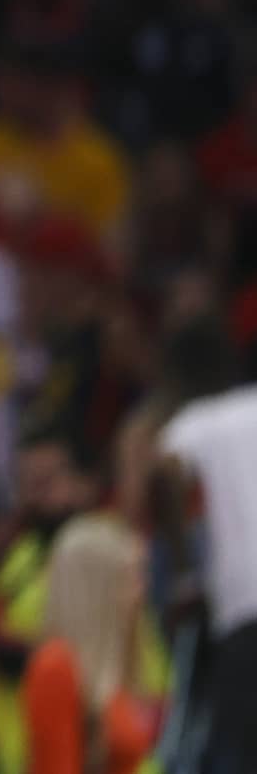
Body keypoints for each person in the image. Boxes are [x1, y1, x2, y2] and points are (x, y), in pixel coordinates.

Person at [154, 315, 257, 774]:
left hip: (243, 608)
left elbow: (165, 475)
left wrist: (182, 568)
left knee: (233, 752)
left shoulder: (194, 423)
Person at [21, 514, 160, 774]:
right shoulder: (56, 665)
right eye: (131, 576)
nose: (142, 589)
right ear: (97, 586)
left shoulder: (106, 669)